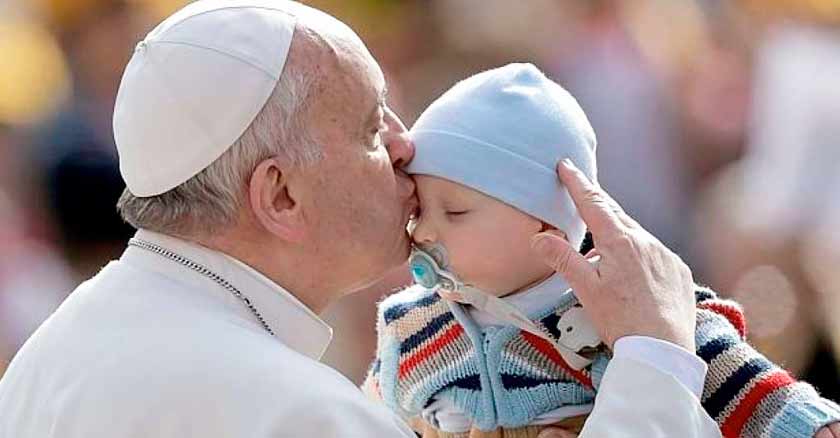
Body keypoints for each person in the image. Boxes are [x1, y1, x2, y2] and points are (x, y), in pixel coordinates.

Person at [0, 1, 735, 436]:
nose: (405, 142)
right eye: (368, 126)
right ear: (280, 196)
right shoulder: (300, 415)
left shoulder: (51, 354)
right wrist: (655, 357)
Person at [363, 64, 840, 438]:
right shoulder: (410, 325)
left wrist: (809, 424)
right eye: (420, 209)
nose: (423, 231)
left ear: (544, 224)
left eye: (455, 213)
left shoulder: (626, 306)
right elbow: (366, 417)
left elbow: (740, 385)